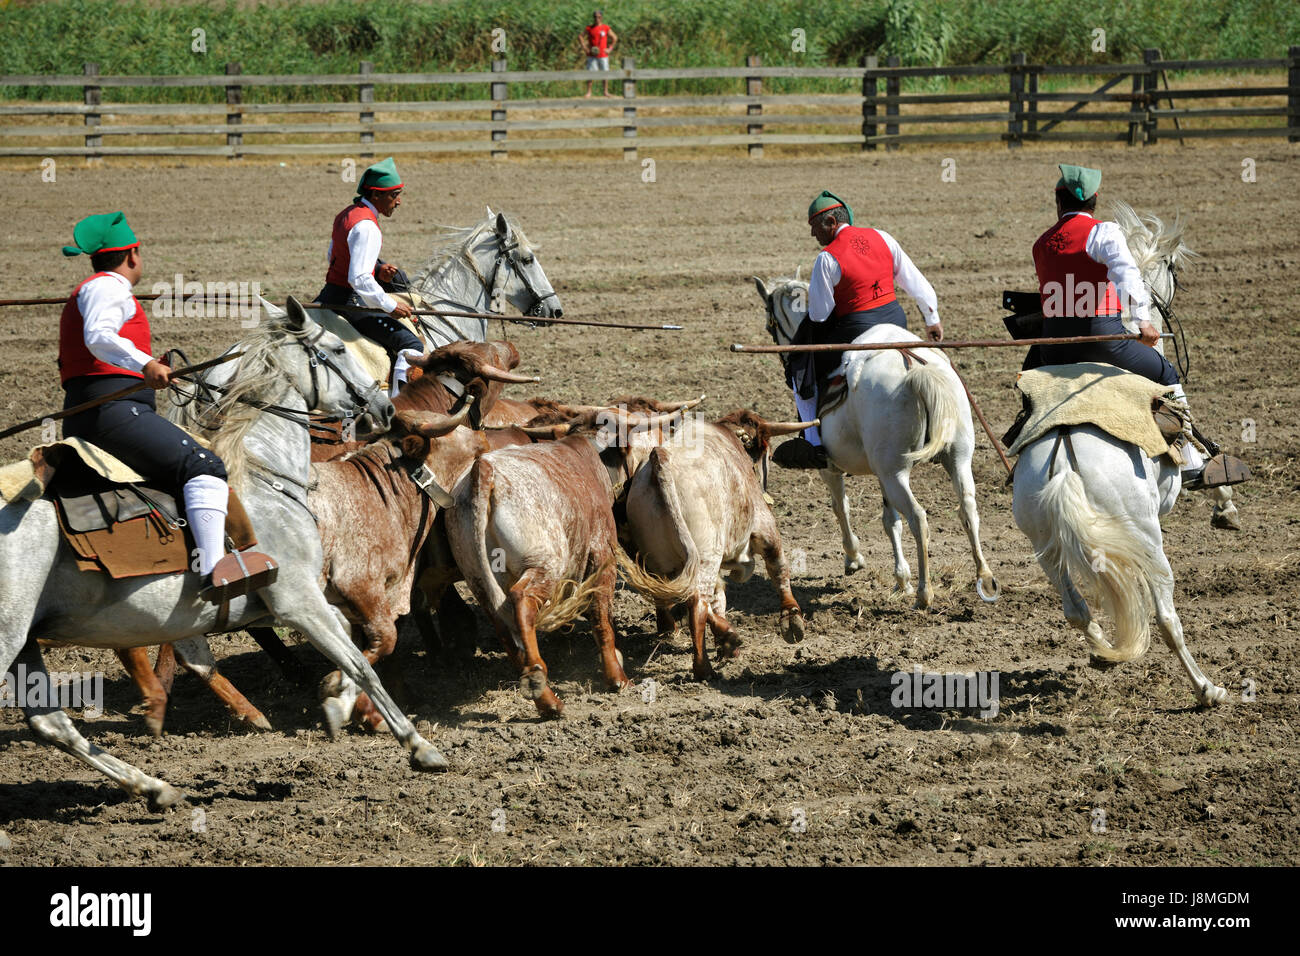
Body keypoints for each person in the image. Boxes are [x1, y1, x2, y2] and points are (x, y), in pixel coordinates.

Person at [58, 212, 271, 601]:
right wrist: (145, 364)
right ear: (133, 255)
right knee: (203, 464)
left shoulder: (93, 288)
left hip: (99, 410)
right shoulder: (109, 288)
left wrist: (147, 365)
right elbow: (99, 337)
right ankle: (213, 572)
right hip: (114, 413)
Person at [1023, 163, 1248, 490]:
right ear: (1094, 200)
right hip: (1103, 341)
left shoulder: (1041, 244)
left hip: (1052, 351)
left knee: (1029, 385)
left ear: (1058, 201)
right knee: (1165, 373)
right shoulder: (1104, 232)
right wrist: (1142, 319)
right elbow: (1127, 273)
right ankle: (1190, 458)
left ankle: (1024, 441)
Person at [774, 190, 944, 470]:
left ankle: (813, 442)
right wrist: (931, 318)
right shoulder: (883, 237)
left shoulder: (827, 258)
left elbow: (819, 314)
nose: (812, 235)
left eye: (814, 227)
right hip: (895, 322)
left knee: (799, 364)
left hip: (856, 329)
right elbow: (915, 281)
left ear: (830, 221)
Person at [315, 157, 423, 394]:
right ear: (376, 195)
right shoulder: (367, 226)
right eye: (394, 195)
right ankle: (399, 408)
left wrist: (376, 269)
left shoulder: (347, 214)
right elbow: (359, 279)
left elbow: (334, 255)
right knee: (411, 344)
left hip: (329, 294)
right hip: (350, 302)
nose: (399, 201)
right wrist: (389, 305)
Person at [580, 10, 619, 98]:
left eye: (599, 17)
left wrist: (610, 49)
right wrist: (585, 48)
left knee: (605, 73)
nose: (597, 19)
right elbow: (580, 36)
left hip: (603, 55)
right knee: (590, 73)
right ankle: (589, 92)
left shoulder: (605, 28)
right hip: (592, 55)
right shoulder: (589, 28)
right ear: (593, 18)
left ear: (601, 18)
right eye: (595, 17)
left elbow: (615, 38)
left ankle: (605, 92)